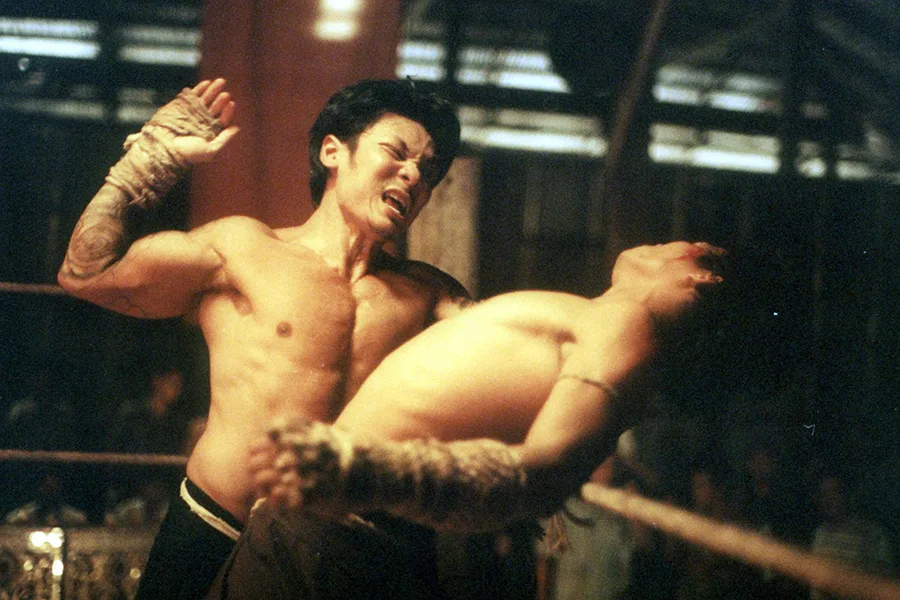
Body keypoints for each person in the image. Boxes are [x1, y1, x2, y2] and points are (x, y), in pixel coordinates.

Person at [58, 77, 469, 599]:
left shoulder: (430, 294)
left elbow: (518, 365)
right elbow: (85, 273)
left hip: (348, 546)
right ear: (333, 151)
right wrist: (150, 162)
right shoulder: (245, 249)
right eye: (396, 152)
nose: (413, 175)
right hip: (217, 524)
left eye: (428, 171)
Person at [205, 240, 725, 598]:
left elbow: (542, 475)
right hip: (325, 522)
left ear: (702, 277)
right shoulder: (601, 319)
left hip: (345, 525)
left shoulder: (631, 324)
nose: (673, 242)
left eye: (685, 245)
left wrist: (367, 470)